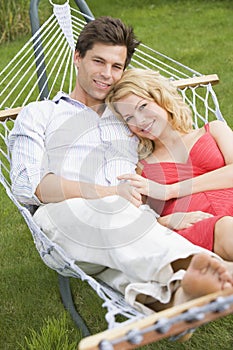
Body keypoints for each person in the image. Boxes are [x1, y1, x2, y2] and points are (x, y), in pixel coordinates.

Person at [8, 17, 233, 316]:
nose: (107, 74)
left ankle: (168, 298)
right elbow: (27, 186)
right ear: (77, 58)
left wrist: (161, 220)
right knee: (112, 209)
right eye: (98, 61)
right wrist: (110, 191)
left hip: (134, 224)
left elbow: (162, 156)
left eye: (117, 66)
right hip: (65, 214)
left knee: (120, 243)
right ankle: (193, 270)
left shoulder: (128, 118)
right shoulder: (41, 115)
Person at [106, 68, 233, 262]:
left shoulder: (213, 130)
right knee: (227, 228)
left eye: (142, 106)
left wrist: (170, 190)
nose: (140, 120)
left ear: (161, 97)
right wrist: (165, 221)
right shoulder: (142, 168)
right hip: (199, 231)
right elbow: (136, 220)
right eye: (129, 118)